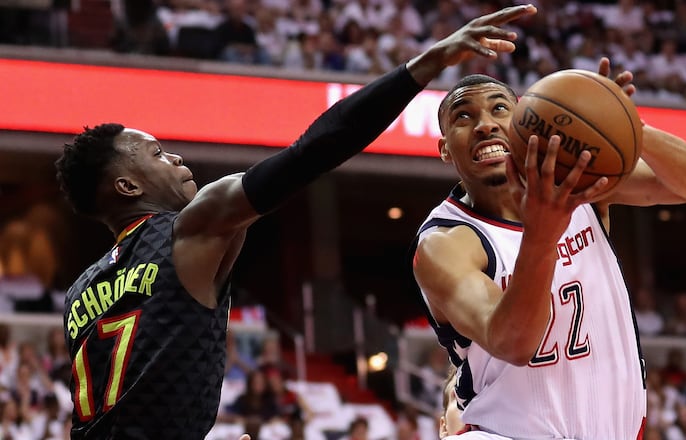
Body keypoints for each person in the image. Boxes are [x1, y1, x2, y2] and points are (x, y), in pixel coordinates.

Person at [54, 4, 532, 439]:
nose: (175, 158)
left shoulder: (79, 294)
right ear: (127, 187)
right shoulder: (192, 227)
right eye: (157, 154)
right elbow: (317, 148)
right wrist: (427, 63)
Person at [411, 56, 686, 438]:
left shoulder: (579, 182)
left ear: (525, 120)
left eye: (499, 108)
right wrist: (541, 236)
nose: (485, 124)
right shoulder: (446, 242)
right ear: (444, 150)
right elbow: (513, 342)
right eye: (463, 116)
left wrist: (630, 128)